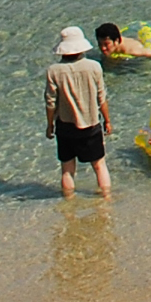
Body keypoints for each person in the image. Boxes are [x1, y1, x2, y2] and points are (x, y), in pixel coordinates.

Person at [45, 24, 114, 198]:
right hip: (91, 124)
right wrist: (107, 121)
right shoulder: (94, 67)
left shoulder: (54, 71)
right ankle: (106, 200)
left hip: (66, 126)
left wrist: (50, 125)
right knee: (99, 166)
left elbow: (50, 102)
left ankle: (69, 204)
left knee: (67, 170)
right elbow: (101, 98)